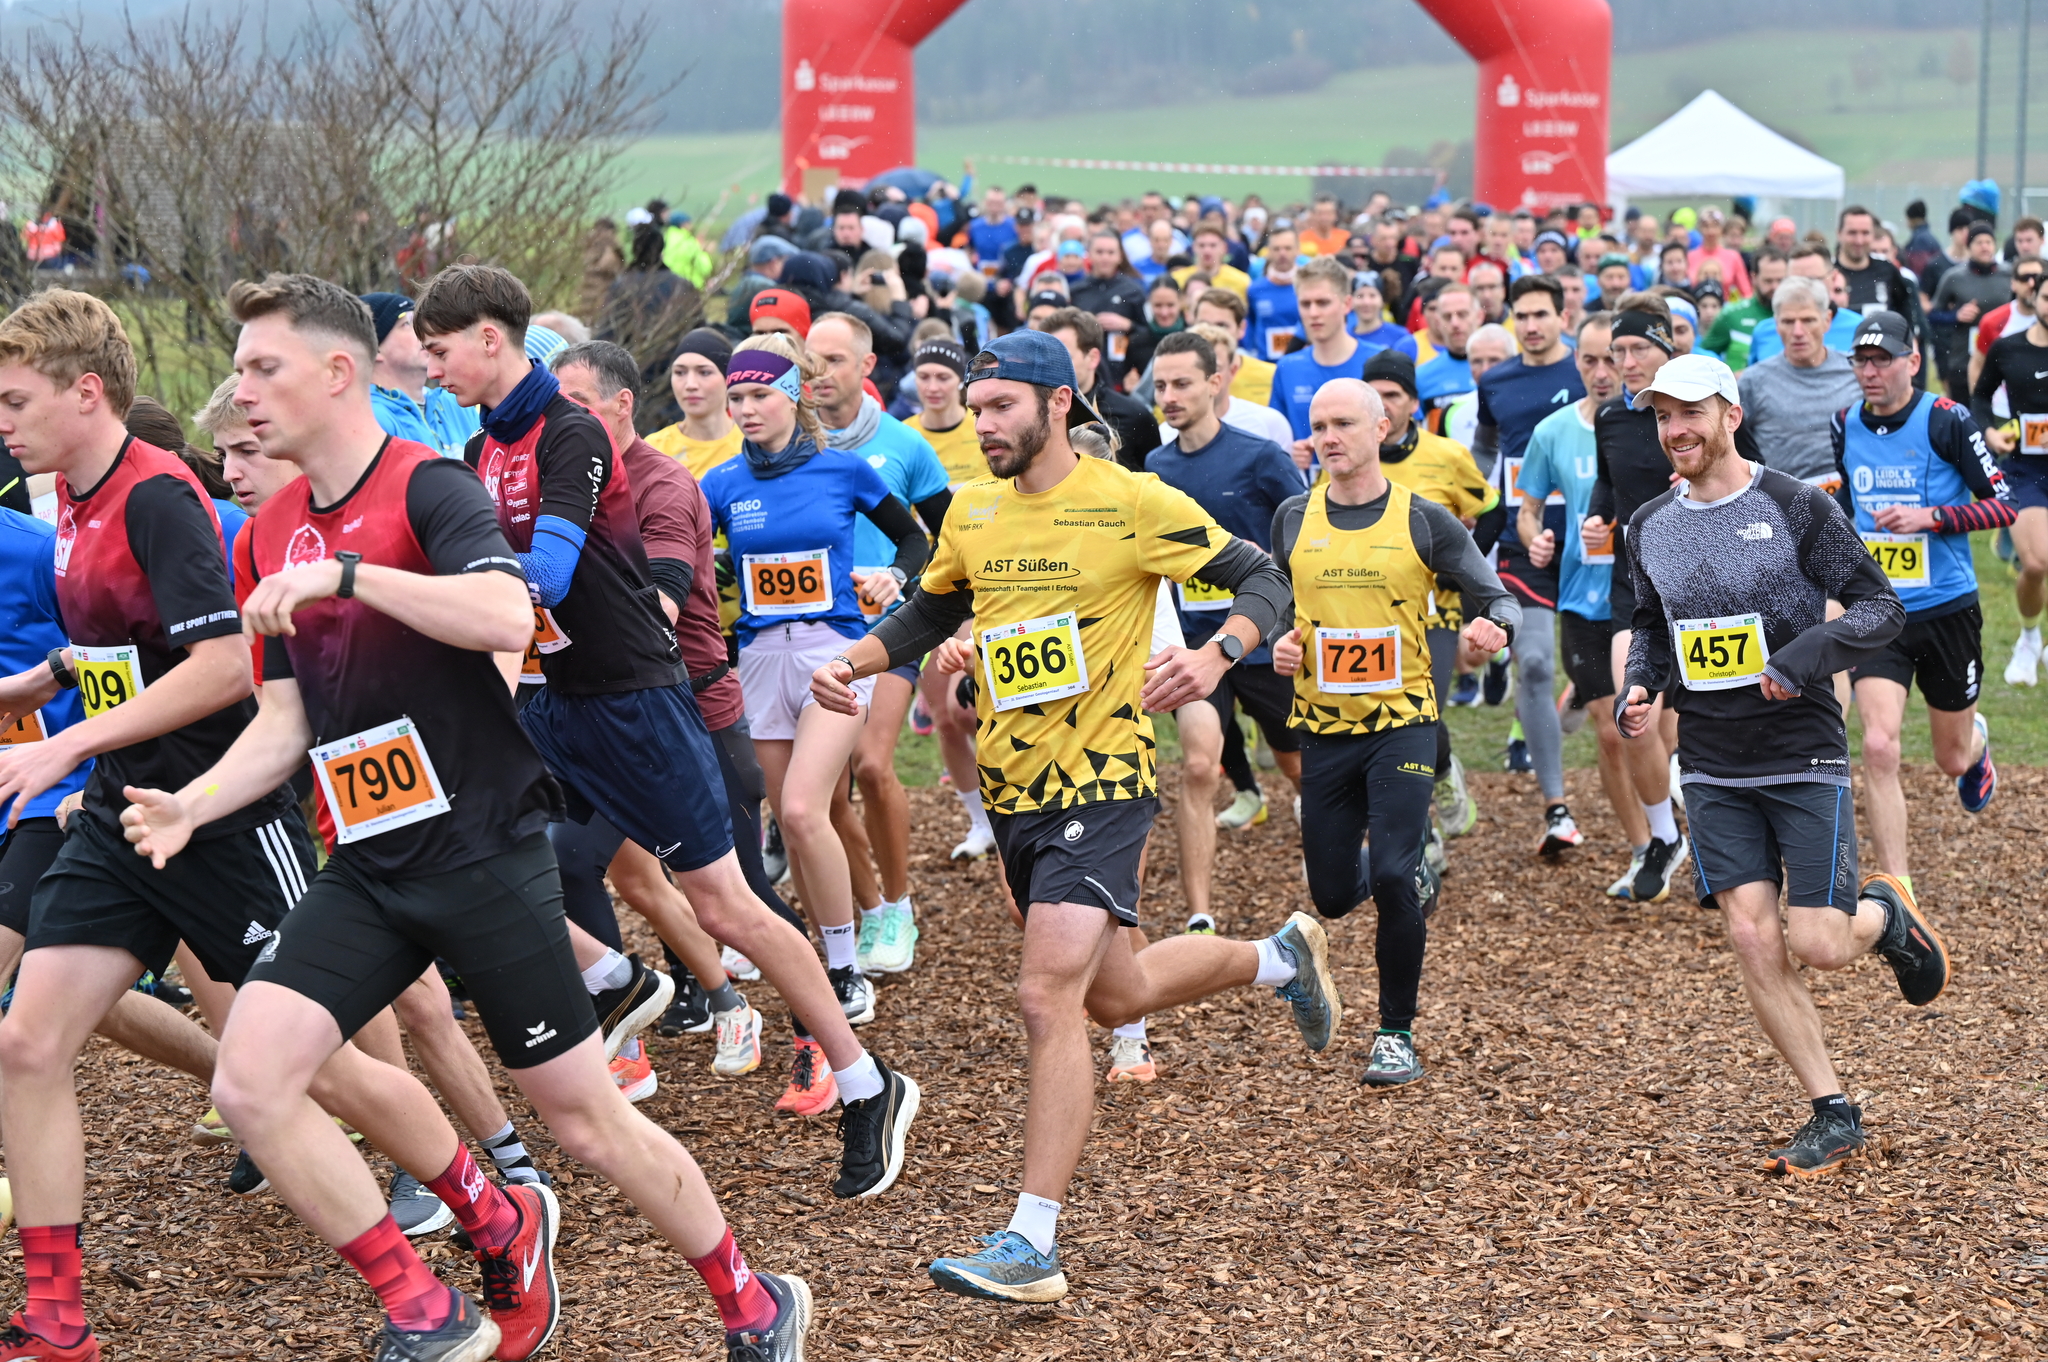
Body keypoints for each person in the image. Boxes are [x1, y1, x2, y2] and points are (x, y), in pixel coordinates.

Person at [114, 273, 815, 1362]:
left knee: (583, 1120)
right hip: (366, 864)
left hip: (484, 853)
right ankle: (441, 1292)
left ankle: (752, 1298)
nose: (240, 393)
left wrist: (353, 575)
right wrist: (190, 807)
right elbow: (284, 722)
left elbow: (503, 611)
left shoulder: (429, 487)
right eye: (240, 370)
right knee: (250, 1082)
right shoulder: (267, 534)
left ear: (336, 373)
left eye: (262, 368)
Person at [814, 329, 1338, 1304]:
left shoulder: (1131, 501)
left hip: (1101, 781)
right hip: (1013, 788)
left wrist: (1216, 655)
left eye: (1000, 407)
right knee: (1116, 996)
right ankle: (1277, 959)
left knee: (1043, 994)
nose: (983, 425)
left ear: (1058, 404)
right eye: (976, 410)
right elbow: (932, 611)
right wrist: (854, 661)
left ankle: (1032, 1241)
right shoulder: (974, 510)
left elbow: (1265, 579)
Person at [418, 264, 920, 1198]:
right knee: (482, 854)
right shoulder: (484, 448)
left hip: (641, 702)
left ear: (490, 338)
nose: (430, 369)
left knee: (727, 904)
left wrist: (405, 591)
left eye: (439, 350)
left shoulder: (574, 435)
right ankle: (619, 981)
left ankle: (863, 1077)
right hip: (550, 700)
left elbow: (550, 581)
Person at [0, 290, 335, 1360]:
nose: (0, 423)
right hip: (124, 815)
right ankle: (57, 1319)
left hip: (220, 810)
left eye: (15, 401)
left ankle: (487, 1200)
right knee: (27, 1041)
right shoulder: (69, 500)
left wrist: (65, 747)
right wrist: (45, 689)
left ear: (84, 392)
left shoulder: (155, 496)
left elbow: (224, 664)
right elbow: (120, 642)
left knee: (310, 1062)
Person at [1618, 349, 1947, 1180]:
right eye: (1662, 416)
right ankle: (1832, 1110)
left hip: (1800, 750)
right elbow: (1651, 624)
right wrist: (1640, 686)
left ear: (1731, 415)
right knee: (1750, 934)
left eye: (1690, 413)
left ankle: (1886, 918)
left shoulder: (1795, 505)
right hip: (1711, 758)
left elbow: (1880, 606)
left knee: (1822, 943)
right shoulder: (1648, 524)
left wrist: (1802, 658)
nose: (1675, 429)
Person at [1271, 378, 1517, 1086]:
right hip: (1323, 728)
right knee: (1331, 895)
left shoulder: (1424, 519)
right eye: (1319, 425)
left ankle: (1394, 1035)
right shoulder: (1293, 516)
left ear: (1381, 428)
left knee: (1390, 877)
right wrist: (1280, 641)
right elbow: (1278, 600)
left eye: (1343, 423)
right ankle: (1384, 889)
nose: (1328, 437)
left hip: (1403, 723)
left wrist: (1493, 627)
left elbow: (1495, 595)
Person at [1831, 310, 2008, 899]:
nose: (1870, 372)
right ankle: (1898, 890)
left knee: (1951, 759)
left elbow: (2002, 504)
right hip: (1879, 609)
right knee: (1878, 745)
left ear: (1912, 361)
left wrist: (1931, 517)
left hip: (1947, 607)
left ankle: (1974, 743)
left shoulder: (1946, 420)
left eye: (1882, 360)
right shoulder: (1844, 422)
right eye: (1862, 361)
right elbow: (1850, 501)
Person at [1587, 296, 1759, 902]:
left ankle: (1727, 832)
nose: (1626, 360)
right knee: (1632, 713)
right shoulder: (1612, 417)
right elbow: (1607, 486)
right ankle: (1664, 837)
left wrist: (1705, 473)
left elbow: (1753, 470)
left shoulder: (1708, 408)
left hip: (1706, 578)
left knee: (1705, 715)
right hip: (1635, 584)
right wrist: (1596, 518)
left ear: (1666, 346)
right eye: (1618, 351)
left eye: (1638, 348)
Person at [806, 312, 953, 977]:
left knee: (870, 764)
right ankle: (868, 906)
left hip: (892, 628)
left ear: (867, 366)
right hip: (815, 631)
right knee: (826, 795)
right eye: (810, 361)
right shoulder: (790, 446)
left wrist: (900, 577)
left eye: (834, 360)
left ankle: (897, 905)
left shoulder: (904, 444)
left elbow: (946, 537)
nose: (819, 373)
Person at [1147, 329, 1306, 946]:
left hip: (1261, 639)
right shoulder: (1155, 470)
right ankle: (1200, 916)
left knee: (1299, 767)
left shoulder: (1260, 456)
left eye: (1182, 383)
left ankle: (1349, 856)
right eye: (1161, 385)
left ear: (1215, 382)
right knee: (1197, 766)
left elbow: (1304, 538)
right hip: (1192, 646)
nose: (1169, 395)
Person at [1517, 312, 1646, 856]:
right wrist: (1537, 541)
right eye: (1590, 360)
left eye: (1611, 359)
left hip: (1645, 597)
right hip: (1582, 599)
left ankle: (1667, 822)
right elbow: (1528, 510)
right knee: (1611, 730)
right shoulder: (1553, 431)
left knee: (1659, 729)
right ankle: (1645, 846)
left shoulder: (1653, 425)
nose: (1602, 372)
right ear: (1575, 361)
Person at [1473, 275, 1587, 853]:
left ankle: (1585, 690)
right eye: (1522, 316)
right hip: (1526, 543)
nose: (1532, 325)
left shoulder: (1587, 372)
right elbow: (1485, 447)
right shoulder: (1495, 381)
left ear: (1563, 316)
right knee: (1536, 663)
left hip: (1595, 546)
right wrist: (1475, 494)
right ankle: (1556, 808)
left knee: (1604, 672)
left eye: (1542, 314)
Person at [1972, 275, 2048, 684]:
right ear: (2034, 298)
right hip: (2025, 468)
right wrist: (1988, 431)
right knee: (2035, 563)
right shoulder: (2008, 348)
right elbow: (1980, 397)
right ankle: (2029, 637)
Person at [1737, 276, 1859, 489]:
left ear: (1827, 320)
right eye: (1788, 322)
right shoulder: (1753, 382)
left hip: (1850, 498)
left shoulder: (1856, 372)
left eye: (1808, 320)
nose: (1798, 332)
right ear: (1776, 324)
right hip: (1781, 501)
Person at [359, 292, 478, 459]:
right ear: (374, 349)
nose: (424, 332)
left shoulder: (456, 403)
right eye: (407, 323)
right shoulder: (370, 420)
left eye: (420, 322)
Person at [1040, 307, 1159, 470]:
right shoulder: (1035, 413)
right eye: (1045, 357)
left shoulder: (1134, 416)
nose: (1050, 365)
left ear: (1092, 358)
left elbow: (1153, 479)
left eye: (1062, 357)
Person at [1269, 256, 1364, 445]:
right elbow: (1276, 440)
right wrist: (1291, 454)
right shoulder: (1287, 368)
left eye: (1323, 303)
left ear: (1346, 304)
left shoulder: (1377, 361)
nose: (1313, 313)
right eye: (1305, 304)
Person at [644, 328, 743, 479]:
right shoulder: (654, 449)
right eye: (680, 372)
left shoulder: (752, 444)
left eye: (704, 372)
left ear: (728, 378)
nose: (690, 385)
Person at [1931, 222, 2013, 402]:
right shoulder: (1954, 277)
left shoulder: (2010, 274)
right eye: (1979, 242)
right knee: (1966, 413)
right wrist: (1955, 316)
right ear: (1968, 247)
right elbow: (1933, 315)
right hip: (1963, 359)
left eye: (1988, 242)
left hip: (2003, 355)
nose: (1984, 247)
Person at [1748, 245, 1863, 364]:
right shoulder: (1764, 332)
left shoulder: (1859, 328)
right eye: (1795, 281)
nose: (1804, 288)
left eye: (1814, 280)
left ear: (1833, 277)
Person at [1069, 229, 1147, 385]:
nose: (1105, 257)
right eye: (1099, 252)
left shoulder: (1133, 290)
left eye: (1111, 253)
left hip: (1122, 373)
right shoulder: (1076, 290)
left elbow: (1148, 332)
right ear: (1089, 255)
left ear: (1120, 256)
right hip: (1084, 372)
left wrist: (1128, 325)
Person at [1700, 248, 1787, 371]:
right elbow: (1701, 359)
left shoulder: (1799, 317)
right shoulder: (1732, 315)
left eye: (1780, 280)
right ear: (1754, 278)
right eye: (1768, 281)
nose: (1775, 287)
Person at [1836, 206, 1918, 320]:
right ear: (1839, 234)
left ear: (1873, 235)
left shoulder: (1887, 270)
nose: (1859, 241)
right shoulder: (1830, 274)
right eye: (1852, 233)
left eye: (1865, 233)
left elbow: (1905, 315)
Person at [1246, 224, 1302, 360]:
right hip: (1266, 364)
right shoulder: (1255, 289)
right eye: (1276, 249)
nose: (1282, 254)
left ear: (1298, 250)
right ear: (1268, 252)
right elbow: (1250, 326)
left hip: (1300, 361)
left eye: (1288, 248)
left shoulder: (1309, 287)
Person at [1348, 270, 1417, 357]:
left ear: (1382, 300)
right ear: (1351, 301)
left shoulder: (1400, 336)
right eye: (1360, 296)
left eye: (1372, 295)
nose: (1366, 302)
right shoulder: (1345, 338)